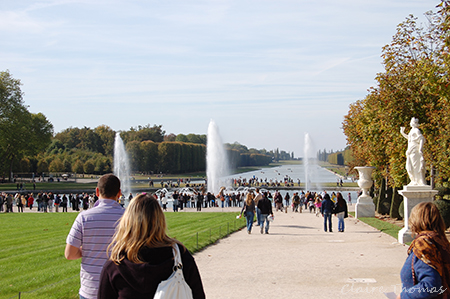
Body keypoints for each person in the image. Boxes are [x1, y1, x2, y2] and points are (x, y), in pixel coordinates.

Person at [98, 193, 205, 299]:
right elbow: (198, 295)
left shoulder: (115, 264)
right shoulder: (179, 255)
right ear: (160, 220)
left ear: (127, 221)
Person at [65, 174, 125, 299]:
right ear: (119, 193)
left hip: (90, 289)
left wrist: (87, 249)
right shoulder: (129, 217)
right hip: (120, 287)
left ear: (97, 192)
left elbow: (70, 254)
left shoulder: (84, 217)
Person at [397, 202, 450, 299]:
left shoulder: (424, 245)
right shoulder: (441, 242)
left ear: (415, 220)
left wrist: (403, 296)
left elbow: (430, 286)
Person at [400, 117, 427, 186]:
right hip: (410, 150)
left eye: (413, 122)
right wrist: (402, 133)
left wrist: (420, 149)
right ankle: (414, 180)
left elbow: (421, 139)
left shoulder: (416, 130)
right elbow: (409, 138)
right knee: (409, 167)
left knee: (415, 166)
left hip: (415, 149)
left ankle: (418, 181)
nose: (411, 123)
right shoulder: (412, 130)